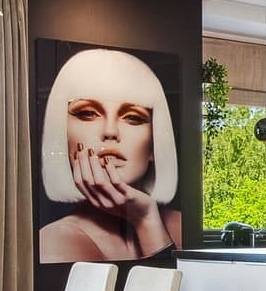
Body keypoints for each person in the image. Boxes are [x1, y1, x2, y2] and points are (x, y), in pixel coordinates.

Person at [37, 47, 182, 261]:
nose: (110, 131)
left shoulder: (179, 225)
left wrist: (146, 219)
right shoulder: (56, 242)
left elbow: (173, 282)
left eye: (133, 118)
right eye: (88, 113)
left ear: (154, 142)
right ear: (61, 134)